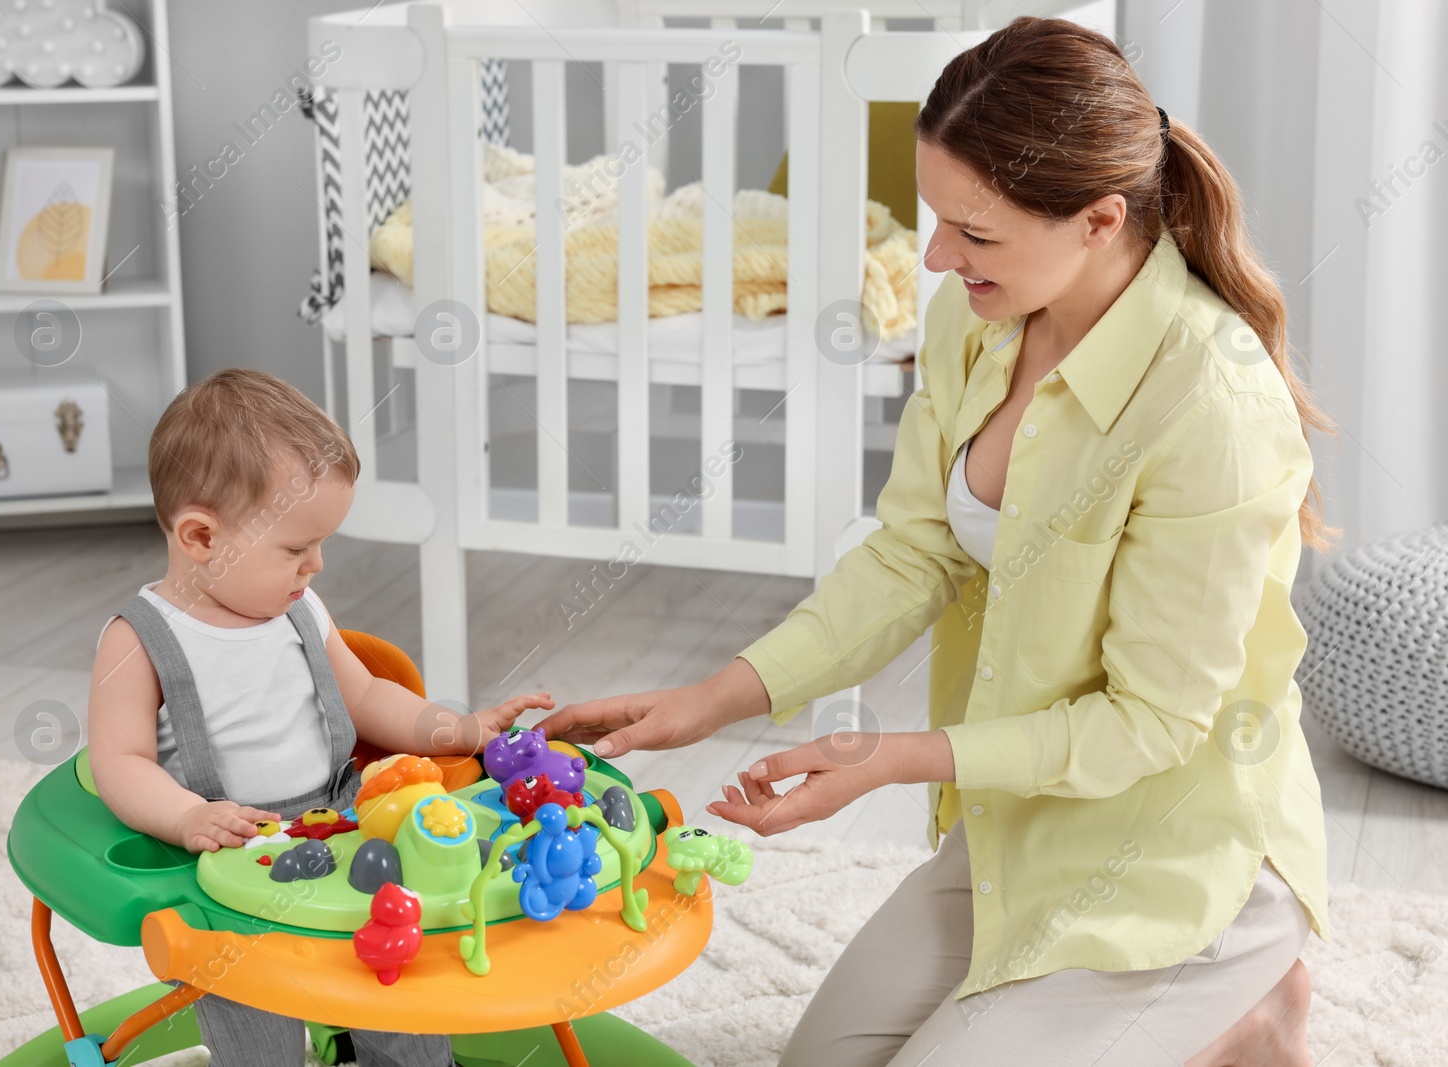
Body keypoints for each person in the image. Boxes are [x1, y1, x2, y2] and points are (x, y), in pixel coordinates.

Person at [537, 16, 1335, 1067]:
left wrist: (888, 757)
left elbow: (1147, 724)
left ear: (1099, 220)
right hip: (1024, 825)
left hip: (1178, 853)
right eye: (937, 219)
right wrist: (710, 698)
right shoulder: (975, 319)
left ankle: (1241, 994)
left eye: (975, 232)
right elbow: (912, 551)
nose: (934, 256)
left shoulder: (1210, 401)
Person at [87, 368, 553, 1067]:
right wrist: (187, 816)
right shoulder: (139, 638)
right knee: (249, 1006)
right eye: (295, 549)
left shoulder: (300, 609)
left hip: (348, 826)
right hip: (231, 860)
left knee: (397, 967)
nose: (318, 564)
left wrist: (463, 728)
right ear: (200, 537)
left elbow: (368, 698)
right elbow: (118, 762)